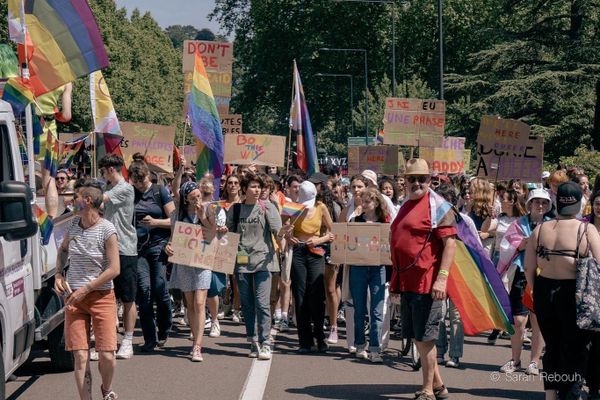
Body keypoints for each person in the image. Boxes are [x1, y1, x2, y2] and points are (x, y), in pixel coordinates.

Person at [525, 182, 600, 400]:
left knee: (553, 346)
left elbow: (529, 267)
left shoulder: (540, 229)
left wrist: (534, 289)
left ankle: (550, 394)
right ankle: (570, 394)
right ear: (578, 204)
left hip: (544, 290)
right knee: (575, 349)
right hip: (574, 294)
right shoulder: (587, 229)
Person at [390, 159, 456, 400]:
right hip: (407, 281)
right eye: (411, 178)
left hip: (427, 282)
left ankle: (427, 390)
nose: (416, 182)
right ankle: (439, 386)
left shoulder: (438, 206)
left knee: (425, 338)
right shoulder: (406, 204)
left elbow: (450, 244)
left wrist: (442, 279)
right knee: (418, 337)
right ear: (404, 181)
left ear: (431, 180)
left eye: (422, 178)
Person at [54, 180, 120, 400]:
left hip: (101, 296)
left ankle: (106, 388)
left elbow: (114, 269)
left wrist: (87, 288)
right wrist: (58, 274)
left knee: (107, 356)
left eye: (77, 197)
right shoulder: (72, 225)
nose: (73, 201)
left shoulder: (107, 229)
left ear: (88, 201)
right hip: (75, 298)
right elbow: (63, 251)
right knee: (81, 356)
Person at [222, 172, 283, 360]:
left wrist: (285, 232)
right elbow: (228, 234)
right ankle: (253, 339)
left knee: (262, 303)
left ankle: (266, 342)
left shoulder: (267, 207)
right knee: (247, 304)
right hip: (241, 262)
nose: (257, 190)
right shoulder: (236, 210)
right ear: (244, 189)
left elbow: (278, 231)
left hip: (264, 261)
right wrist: (223, 230)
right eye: (253, 187)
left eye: (259, 187)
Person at [497, 189, 550, 375]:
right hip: (521, 274)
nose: (540, 206)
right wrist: (525, 243)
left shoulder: (551, 225)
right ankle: (515, 359)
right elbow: (506, 247)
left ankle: (534, 362)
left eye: (544, 202)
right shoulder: (518, 224)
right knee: (518, 320)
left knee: (538, 320)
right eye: (537, 202)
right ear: (529, 204)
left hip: (544, 275)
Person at [129, 154, 175, 352]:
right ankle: (150, 338)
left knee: (159, 286)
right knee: (144, 290)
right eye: (136, 181)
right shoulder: (130, 193)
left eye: (142, 180)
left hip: (158, 245)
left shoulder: (159, 191)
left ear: (149, 176)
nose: (140, 184)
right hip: (137, 248)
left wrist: (156, 222)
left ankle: (165, 326)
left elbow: (174, 220)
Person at [165, 181, 212, 362]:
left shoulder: (208, 210)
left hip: (202, 262)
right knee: (190, 304)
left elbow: (213, 233)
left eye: (199, 196)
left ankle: (197, 345)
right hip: (184, 263)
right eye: (193, 197)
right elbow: (173, 238)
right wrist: (168, 247)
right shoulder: (177, 215)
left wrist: (202, 217)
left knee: (200, 303)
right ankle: (195, 334)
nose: (197, 200)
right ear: (185, 199)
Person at [98, 155, 138, 360]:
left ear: (111, 169)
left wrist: (81, 194)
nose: (102, 174)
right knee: (107, 296)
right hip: (107, 249)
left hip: (125, 249)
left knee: (128, 297)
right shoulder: (108, 188)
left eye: (103, 170)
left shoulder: (125, 188)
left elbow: (99, 200)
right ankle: (108, 341)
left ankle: (128, 340)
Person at [287, 180, 334, 353]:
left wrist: (320, 239)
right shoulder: (294, 207)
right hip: (299, 250)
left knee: (317, 294)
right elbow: (284, 228)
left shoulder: (321, 207)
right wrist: (288, 236)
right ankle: (304, 340)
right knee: (300, 295)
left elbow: (333, 231)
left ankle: (320, 336)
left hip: (316, 251)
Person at [349, 187, 390, 362]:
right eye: (362, 201)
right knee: (359, 308)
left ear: (376, 203)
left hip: (377, 267)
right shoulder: (356, 219)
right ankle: (359, 345)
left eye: (367, 201)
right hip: (358, 266)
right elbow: (347, 241)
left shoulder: (384, 221)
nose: (364, 205)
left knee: (377, 309)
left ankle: (375, 348)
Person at [221, 174, 243, 323]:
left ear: (240, 186)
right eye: (230, 183)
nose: (233, 185)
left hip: (242, 246)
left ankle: (236, 309)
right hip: (224, 244)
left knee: (237, 278)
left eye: (236, 183)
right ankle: (225, 305)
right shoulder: (219, 205)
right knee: (224, 277)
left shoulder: (244, 204)